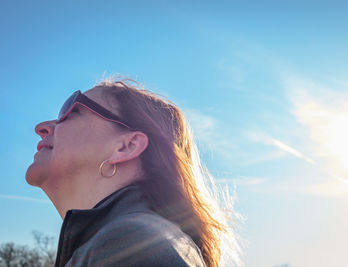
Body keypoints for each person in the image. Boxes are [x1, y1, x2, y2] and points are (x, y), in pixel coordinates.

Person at [26, 78, 240, 267]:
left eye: (71, 111)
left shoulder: (128, 245)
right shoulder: (127, 240)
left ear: (126, 146)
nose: (42, 127)